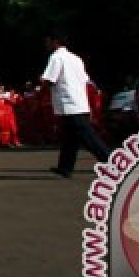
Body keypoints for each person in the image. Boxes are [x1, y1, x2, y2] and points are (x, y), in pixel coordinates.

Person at [40, 29, 109, 177]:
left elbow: (50, 79)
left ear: (55, 41)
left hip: (69, 104)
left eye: (47, 41)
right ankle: (65, 167)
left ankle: (111, 162)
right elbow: (85, 81)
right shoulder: (76, 58)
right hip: (79, 101)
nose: (46, 44)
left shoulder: (56, 57)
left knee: (88, 137)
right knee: (70, 138)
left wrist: (42, 82)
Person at [0, 82, 21, 147]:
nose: (1, 89)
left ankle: (15, 141)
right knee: (3, 129)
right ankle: (5, 143)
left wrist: (7, 98)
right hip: (0, 114)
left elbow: (14, 102)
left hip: (10, 114)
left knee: (14, 128)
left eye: (2, 87)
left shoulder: (7, 94)